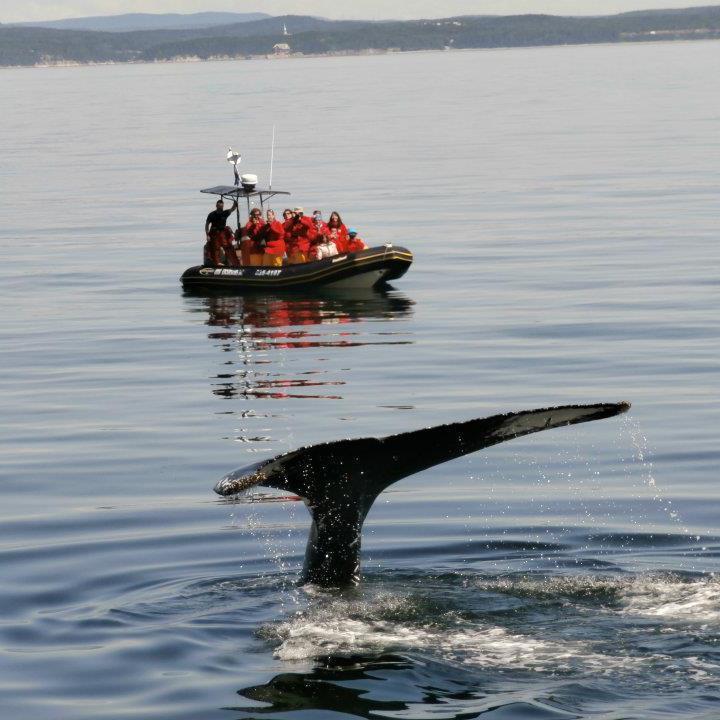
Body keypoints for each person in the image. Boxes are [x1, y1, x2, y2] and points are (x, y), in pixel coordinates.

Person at [204, 198, 238, 266]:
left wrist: (235, 203)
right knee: (215, 248)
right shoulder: (211, 214)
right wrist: (207, 235)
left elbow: (232, 209)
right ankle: (217, 263)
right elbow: (207, 224)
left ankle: (234, 263)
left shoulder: (225, 213)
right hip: (214, 232)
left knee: (228, 246)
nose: (221, 208)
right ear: (216, 206)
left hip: (222, 232)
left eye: (222, 207)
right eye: (219, 206)